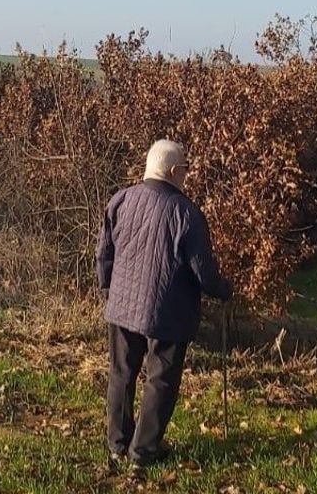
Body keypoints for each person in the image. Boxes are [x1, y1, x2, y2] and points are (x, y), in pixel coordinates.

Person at [96, 139, 233, 472]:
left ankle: (117, 446)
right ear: (174, 171)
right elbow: (204, 272)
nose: (187, 175)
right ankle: (143, 453)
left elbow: (104, 254)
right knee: (161, 381)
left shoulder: (121, 200)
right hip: (169, 312)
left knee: (121, 374)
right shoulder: (187, 213)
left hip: (123, 306)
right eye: (185, 169)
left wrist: (107, 290)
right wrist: (223, 290)